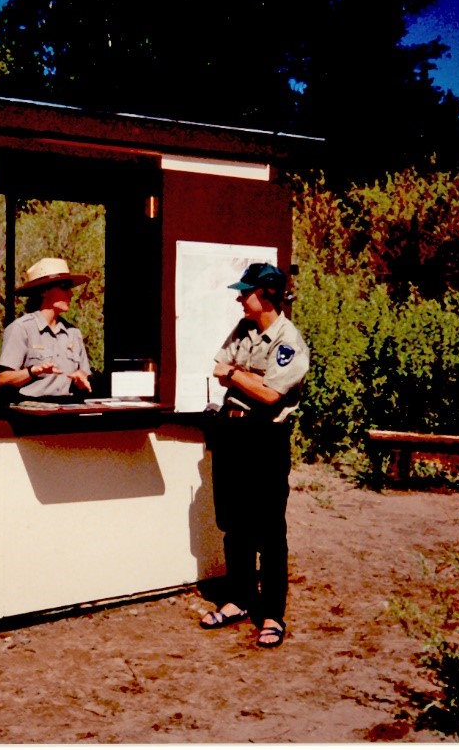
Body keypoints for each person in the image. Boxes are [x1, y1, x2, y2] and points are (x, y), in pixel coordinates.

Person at [199, 262, 309, 649]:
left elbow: (270, 396)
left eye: (245, 292)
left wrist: (236, 375)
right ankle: (239, 600)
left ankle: (273, 615)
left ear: (265, 295)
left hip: (264, 437)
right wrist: (242, 376)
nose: (239, 298)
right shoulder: (245, 330)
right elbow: (217, 367)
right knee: (234, 523)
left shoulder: (288, 340)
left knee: (268, 529)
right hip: (232, 433)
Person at [0, 257, 94, 399]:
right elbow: (3, 378)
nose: (71, 294)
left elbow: (84, 375)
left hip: (66, 412)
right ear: (44, 291)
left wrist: (81, 379)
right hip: (31, 413)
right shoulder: (22, 328)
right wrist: (32, 371)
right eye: (64, 287)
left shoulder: (73, 333)